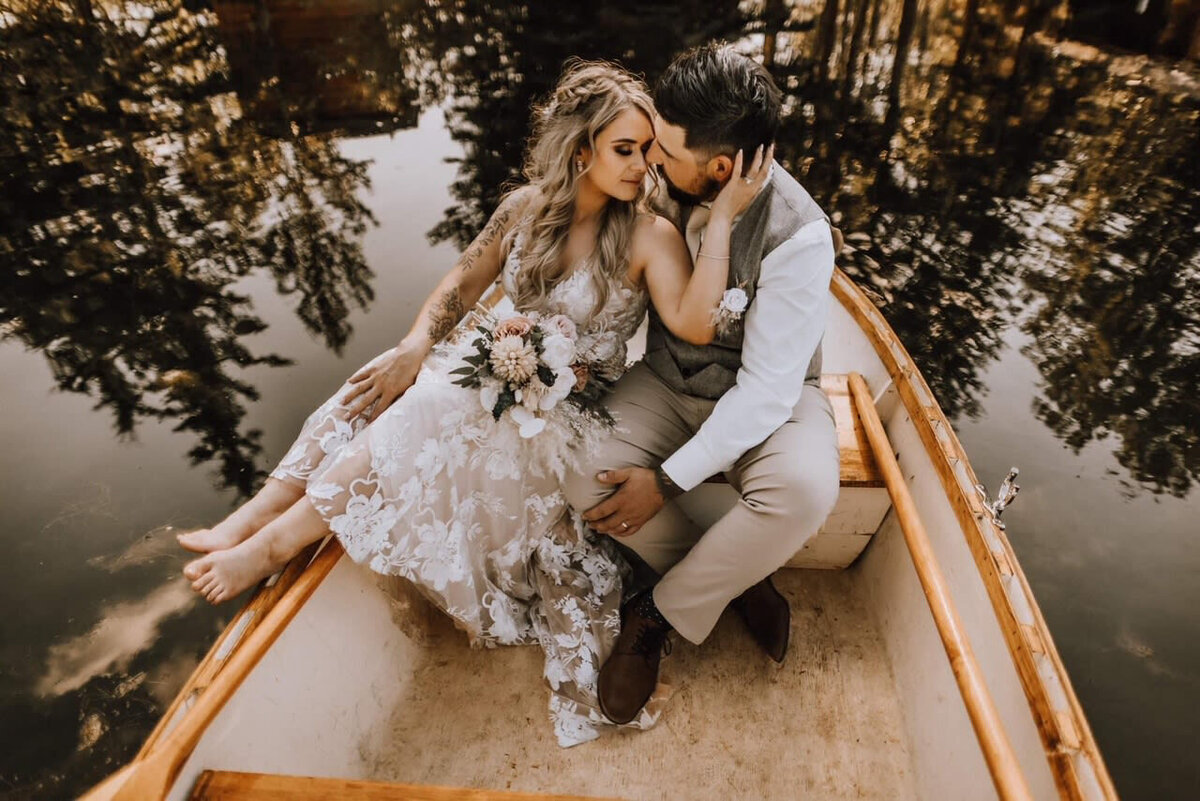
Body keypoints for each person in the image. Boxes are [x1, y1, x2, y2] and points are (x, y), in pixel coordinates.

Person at [176, 60, 770, 745]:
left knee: (435, 404)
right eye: (625, 149)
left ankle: (273, 544)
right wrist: (413, 342)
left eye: (645, 150)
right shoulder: (523, 210)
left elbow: (697, 322)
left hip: (570, 409)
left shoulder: (649, 235)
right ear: (582, 150)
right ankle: (258, 513)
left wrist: (722, 219)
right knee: (395, 375)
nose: (643, 166)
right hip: (491, 370)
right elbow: (464, 282)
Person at [562, 44, 841, 726]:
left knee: (805, 490)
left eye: (666, 151)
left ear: (721, 168)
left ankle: (657, 612)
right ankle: (733, 576)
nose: (650, 159)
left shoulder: (800, 237)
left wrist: (666, 480)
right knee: (574, 463)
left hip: (770, 402)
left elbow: (769, 391)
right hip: (666, 380)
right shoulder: (657, 181)